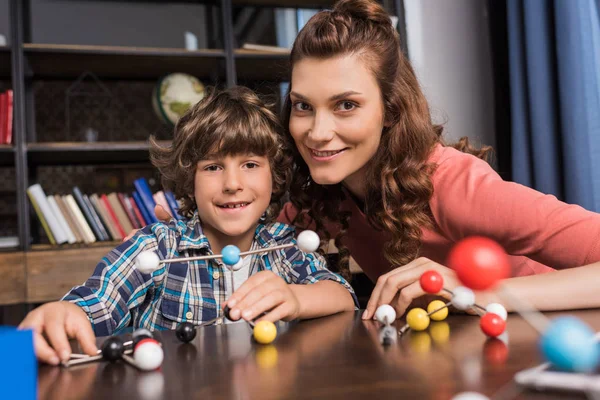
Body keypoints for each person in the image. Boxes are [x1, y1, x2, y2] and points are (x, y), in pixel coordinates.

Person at [149, 0, 600, 320]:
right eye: (304, 106)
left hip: (549, 347)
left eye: (346, 105)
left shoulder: (454, 186)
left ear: (391, 110)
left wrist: (472, 289)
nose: (317, 132)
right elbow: (263, 244)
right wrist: (191, 221)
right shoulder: (324, 193)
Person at [18, 86, 357, 365]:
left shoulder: (286, 247)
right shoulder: (157, 247)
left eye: (251, 164)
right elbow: (98, 302)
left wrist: (296, 299)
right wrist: (63, 312)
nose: (232, 183)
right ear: (189, 179)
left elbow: (343, 297)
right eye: (212, 167)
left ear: (275, 176)